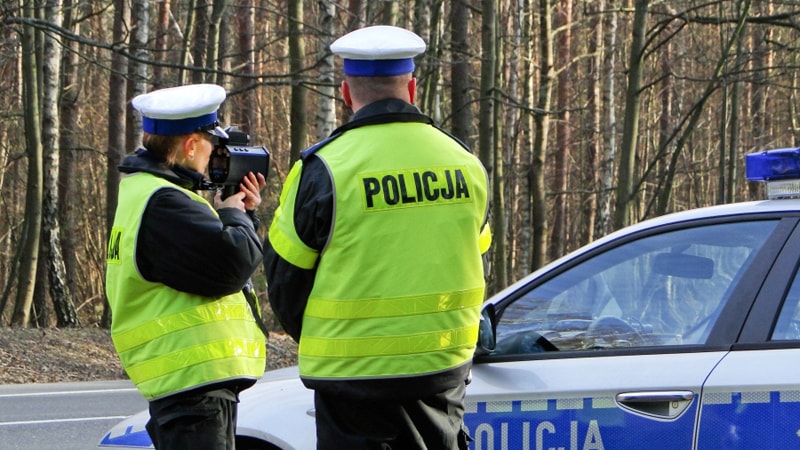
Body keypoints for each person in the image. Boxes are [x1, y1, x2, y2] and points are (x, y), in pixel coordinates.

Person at [264, 25, 492, 449]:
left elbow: (285, 283)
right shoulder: (465, 163)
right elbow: (477, 260)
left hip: (352, 385)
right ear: (412, 88)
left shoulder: (322, 169)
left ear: (346, 94)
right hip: (441, 377)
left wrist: (331, 337)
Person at [105, 83, 267, 450]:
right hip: (193, 387)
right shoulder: (166, 203)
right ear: (191, 145)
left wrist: (239, 214)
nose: (216, 157)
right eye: (212, 146)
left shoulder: (149, 194)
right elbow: (232, 265)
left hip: (189, 384)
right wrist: (237, 217)